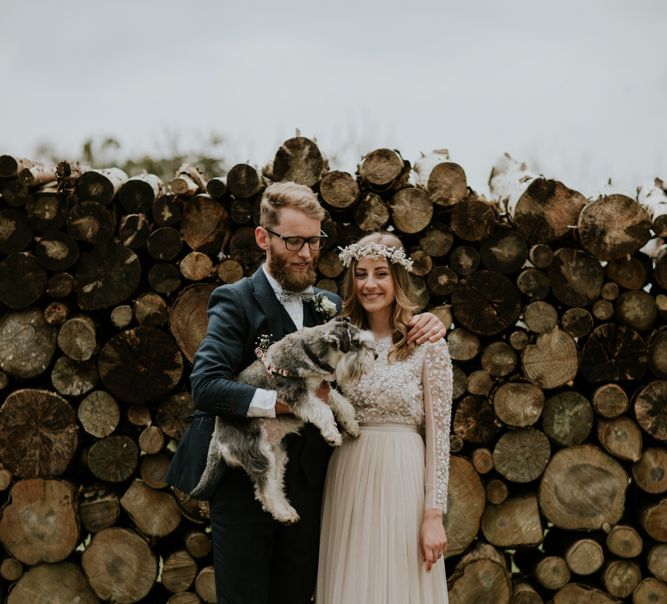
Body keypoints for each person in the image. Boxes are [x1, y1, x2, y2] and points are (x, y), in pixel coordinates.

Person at [165, 182, 447, 604]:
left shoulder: (329, 305)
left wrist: (431, 323)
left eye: (314, 242)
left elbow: (383, 334)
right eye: (293, 241)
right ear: (264, 238)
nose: (305, 252)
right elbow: (205, 385)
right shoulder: (236, 300)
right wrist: (279, 402)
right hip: (246, 485)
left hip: (315, 488)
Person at [316, 231, 453, 604]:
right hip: (350, 473)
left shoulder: (428, 343)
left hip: (404, 475)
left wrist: (433, 514)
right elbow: (316, 395)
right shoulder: (339, 340)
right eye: (361, 274)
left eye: (380, 273)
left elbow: (440, 438)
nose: (369, 284)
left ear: (398, 279)